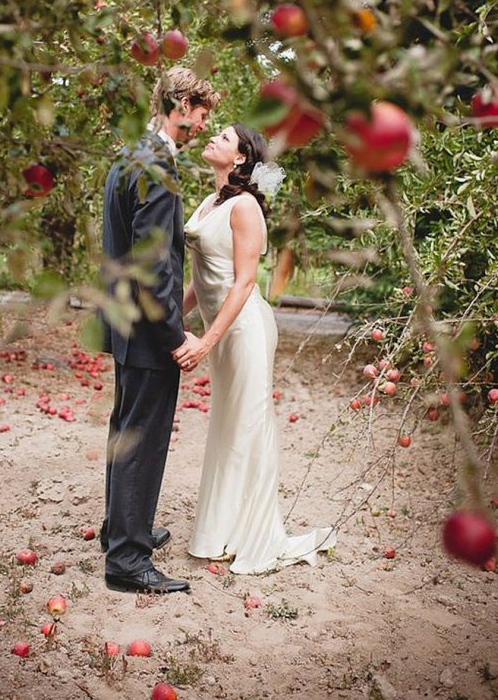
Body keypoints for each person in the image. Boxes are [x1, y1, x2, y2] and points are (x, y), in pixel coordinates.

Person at [173, 123, 336, 574]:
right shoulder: (210, 202)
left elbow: (244, 283)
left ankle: (245, 535)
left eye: (222, 138)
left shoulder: (245, 207)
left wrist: (205, 341)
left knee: (246, 428)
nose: (212, 140)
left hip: (244, 331)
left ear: (241, 158)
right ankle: (219, 532)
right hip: (220, 330)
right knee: (227, 425)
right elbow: (202, 279)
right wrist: (173, 317)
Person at [100, 66, 220, 593]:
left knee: (126, 431)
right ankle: (128, 561)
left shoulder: (133, 154)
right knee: (144, 439)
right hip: (149, 331)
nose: (202, 123)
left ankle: (121, 530)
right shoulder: (157, 165)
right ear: (181, 105)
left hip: (127, 323)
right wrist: (176, 336)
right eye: (200, 112)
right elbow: (153, 264)